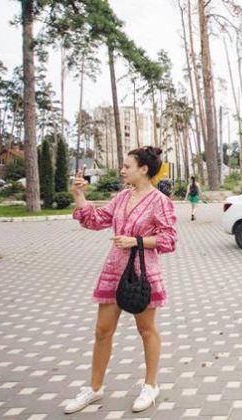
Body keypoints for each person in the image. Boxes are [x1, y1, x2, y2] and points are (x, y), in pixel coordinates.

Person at [64, 146, 178, 414]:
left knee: (146, 330)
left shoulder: (159, 201)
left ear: (144, 169)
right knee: (102, 331)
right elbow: (95, 219)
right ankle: (94, 389)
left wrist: (136, 241)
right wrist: (79, 195)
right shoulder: (122, 197)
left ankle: (150, 386)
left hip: (142, 272)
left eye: (127, 166)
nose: (122, 170)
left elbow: (169, 239)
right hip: (113, 270)